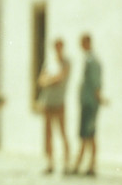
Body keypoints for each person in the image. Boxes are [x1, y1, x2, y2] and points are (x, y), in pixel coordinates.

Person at [71, 33, 103, 176]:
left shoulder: (91, 61)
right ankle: (88, 164)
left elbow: (96, 82)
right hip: (87, 101)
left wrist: (97, 97)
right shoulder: (89, 60)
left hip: (89, 102)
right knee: (89, 134)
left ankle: (83, 164)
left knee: (87, 133)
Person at [37, 37, 71, 174]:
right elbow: (41, 80)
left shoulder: (66, 62)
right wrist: (50, 79)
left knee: (62, 132)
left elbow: (60, 78)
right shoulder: (50, 62)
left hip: (59, 101)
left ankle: (66, 163)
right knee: (48, 133)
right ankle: (50, 163)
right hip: (47, 101)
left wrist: (49, 80)